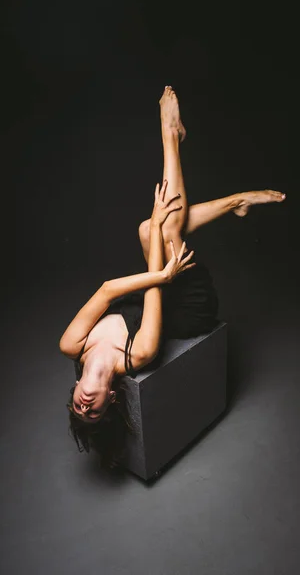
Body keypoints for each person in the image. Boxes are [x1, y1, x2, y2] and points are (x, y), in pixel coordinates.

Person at [59, 86, 286, 467]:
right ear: (111, 400)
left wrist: (161, 252)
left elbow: (106, 289)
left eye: (78, 410)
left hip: (161, 283)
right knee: (154, 228)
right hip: (187, 307)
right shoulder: (137, 356)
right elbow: (158, 289)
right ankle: (171, 137)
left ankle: (232, 199)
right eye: (94, 413)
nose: (85, 408)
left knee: (154, 229)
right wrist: (163, 269)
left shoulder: (72, 346)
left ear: (75, 390)